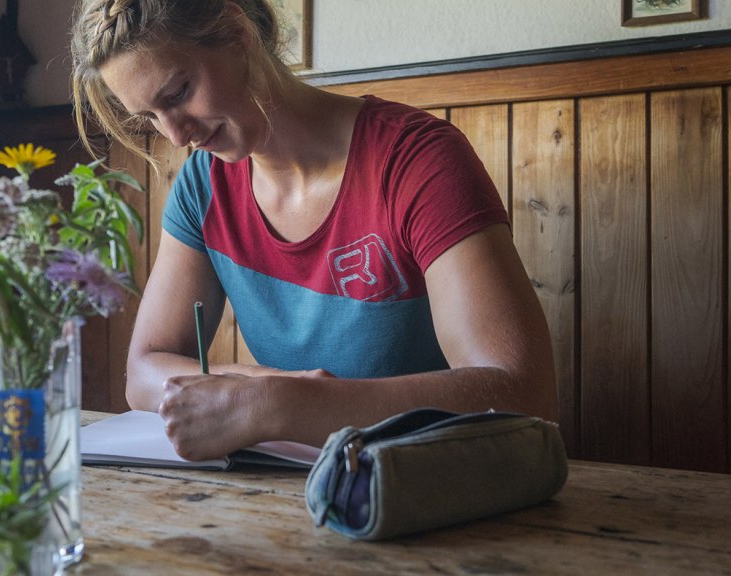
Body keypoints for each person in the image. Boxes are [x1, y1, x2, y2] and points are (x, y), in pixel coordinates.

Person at [70, 0, 557, 461]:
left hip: (427, 491)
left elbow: (523, 394)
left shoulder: (416, 161)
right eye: (150, 117)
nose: (177, 136)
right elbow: (145, 371)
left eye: (177, 94)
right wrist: (265, 391)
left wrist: (283, 405)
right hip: (291, 492)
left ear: (237, 33)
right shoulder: (204, 186)